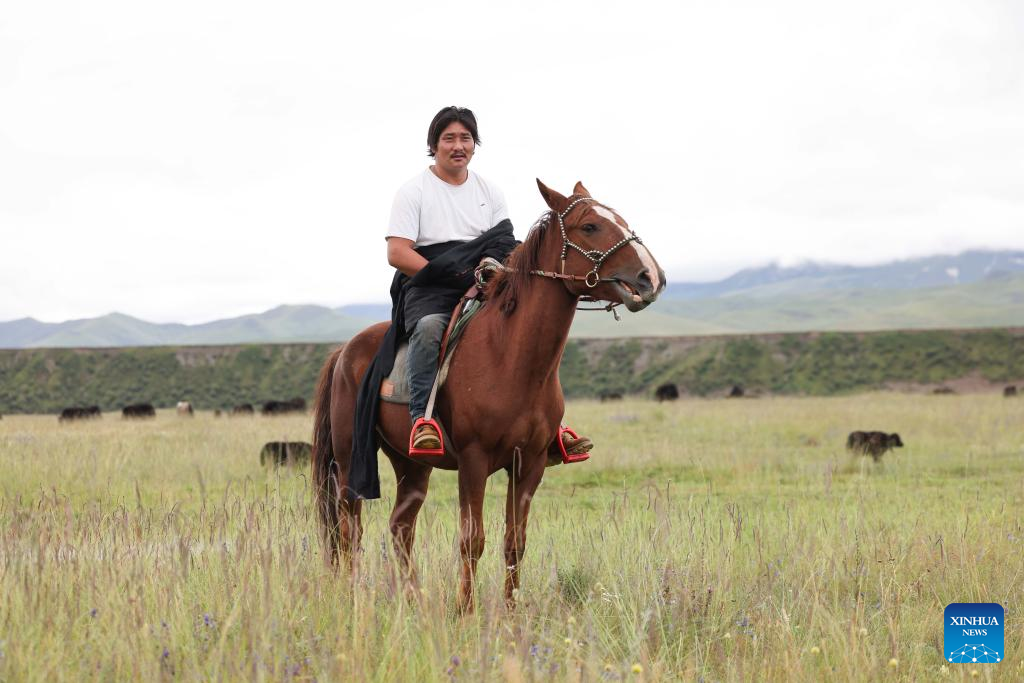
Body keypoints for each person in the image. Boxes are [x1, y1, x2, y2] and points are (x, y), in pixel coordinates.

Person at [385, 105, 593, 458]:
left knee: (527, 331)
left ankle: (550, 426)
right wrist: (445, 274)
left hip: (482, 279)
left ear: (474, 144)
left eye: (465, 138)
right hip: (429, 284)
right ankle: (422, 419)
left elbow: (502, 242)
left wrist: (493, 269)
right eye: (448, 138)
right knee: (431, 328)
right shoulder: (413, 192)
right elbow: (398, 253)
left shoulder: (490, 191)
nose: (458, 145)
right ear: (434, 145)